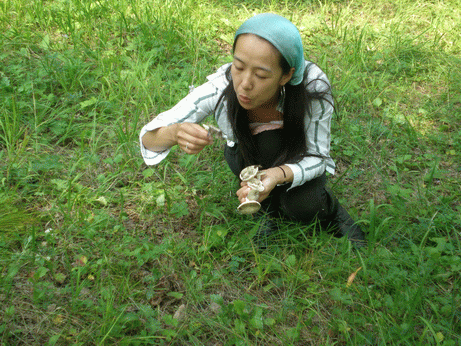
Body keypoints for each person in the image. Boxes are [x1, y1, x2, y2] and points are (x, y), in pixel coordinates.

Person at [139, 13, 365, 247]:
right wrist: (175, 133)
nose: (245, 83)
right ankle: (268, 211)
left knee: (303, 206)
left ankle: (331, 212)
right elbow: (148, 139)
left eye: (261, 75)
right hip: (247, 156)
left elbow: (318, 156)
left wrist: (277, 175)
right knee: (263, 147)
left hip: (297, 155)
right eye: (238, 67)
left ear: (286, 75)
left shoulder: (311, 86)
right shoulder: (219, 88)